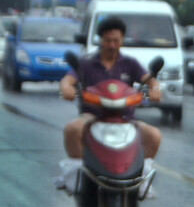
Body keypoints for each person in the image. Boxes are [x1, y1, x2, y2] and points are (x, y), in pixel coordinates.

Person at [59, 16, 162, 161]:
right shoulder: (86, 63)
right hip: (92, 117)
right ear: (100, 40)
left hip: (125, 118)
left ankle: (139, 173)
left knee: (154, 135)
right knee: (72, 130)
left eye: (116, 40)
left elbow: (149, 80)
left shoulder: (130, 63)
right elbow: (68, 80)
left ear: (122, 40)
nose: (112, 45)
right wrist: (67, 89)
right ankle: (78, 169)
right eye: (108, 40)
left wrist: (155, 88)